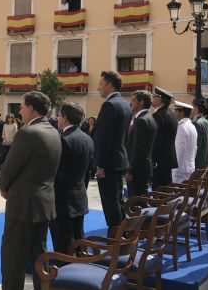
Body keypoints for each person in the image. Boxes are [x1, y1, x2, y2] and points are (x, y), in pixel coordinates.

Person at [0, 91, 61, 290]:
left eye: (22, 107)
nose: (19, 111)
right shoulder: (53, 131)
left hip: (23, 204)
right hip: (43, 203)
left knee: (12, 259)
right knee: (38, 257)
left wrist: (4, 187)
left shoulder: (28, 133)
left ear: (31, 109)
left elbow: (9, 167)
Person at [51, 102, 94, 254]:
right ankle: (80, 271)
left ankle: (66, 276)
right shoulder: (87, 138)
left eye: (59, 115)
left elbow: (57, 173)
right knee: (79, 240)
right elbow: (88, 171)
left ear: (65, 118)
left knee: (63, 244)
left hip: (62, 200)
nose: (57, 118)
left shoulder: (63, 139)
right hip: (79, 195)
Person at [93, 71, 132, 230]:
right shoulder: (125, 104)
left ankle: (116, 241)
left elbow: (104, 138)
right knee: (118, 200)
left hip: (109, 163)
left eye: (101, 84)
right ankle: (124, 236)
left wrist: (100, 165)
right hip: (119, 160)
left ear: (109, 85)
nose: (98, 88)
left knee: (110, 204)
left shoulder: (109, 105)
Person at [125, 90, 157, 199]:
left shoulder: (141, 120)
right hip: (143, 168)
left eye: (133, 100)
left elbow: (139, 149)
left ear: (141, 102)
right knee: (141, 201)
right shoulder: (149, 118)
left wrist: (130, 170)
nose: (131, 103)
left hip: (137, 171)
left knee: (135, 204)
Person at [151, 87, 179, 189]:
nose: (152, 99)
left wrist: (153, 159)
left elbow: (157, 140)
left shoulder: (158, 115)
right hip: (167, 158)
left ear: (159, 100)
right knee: (166, 188)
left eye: (154, 96)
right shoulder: (170, 113)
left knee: (158, 189)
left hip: (160, 160)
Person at [172, 101, 198, 184]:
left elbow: (179, 150)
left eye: (176, 111)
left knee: (177, 194)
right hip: (189, 165)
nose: (174, 113)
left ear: (181, 113)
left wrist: (175, 170)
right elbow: (195, 148)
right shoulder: (191, 126)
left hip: (181, 169)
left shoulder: (181, 127)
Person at [191, 100, 208, 170]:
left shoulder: (196, 123)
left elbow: (196, 145)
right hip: (204, 160)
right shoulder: (206, 121)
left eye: (192, 107)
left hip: (197, 162)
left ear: (196, 108)